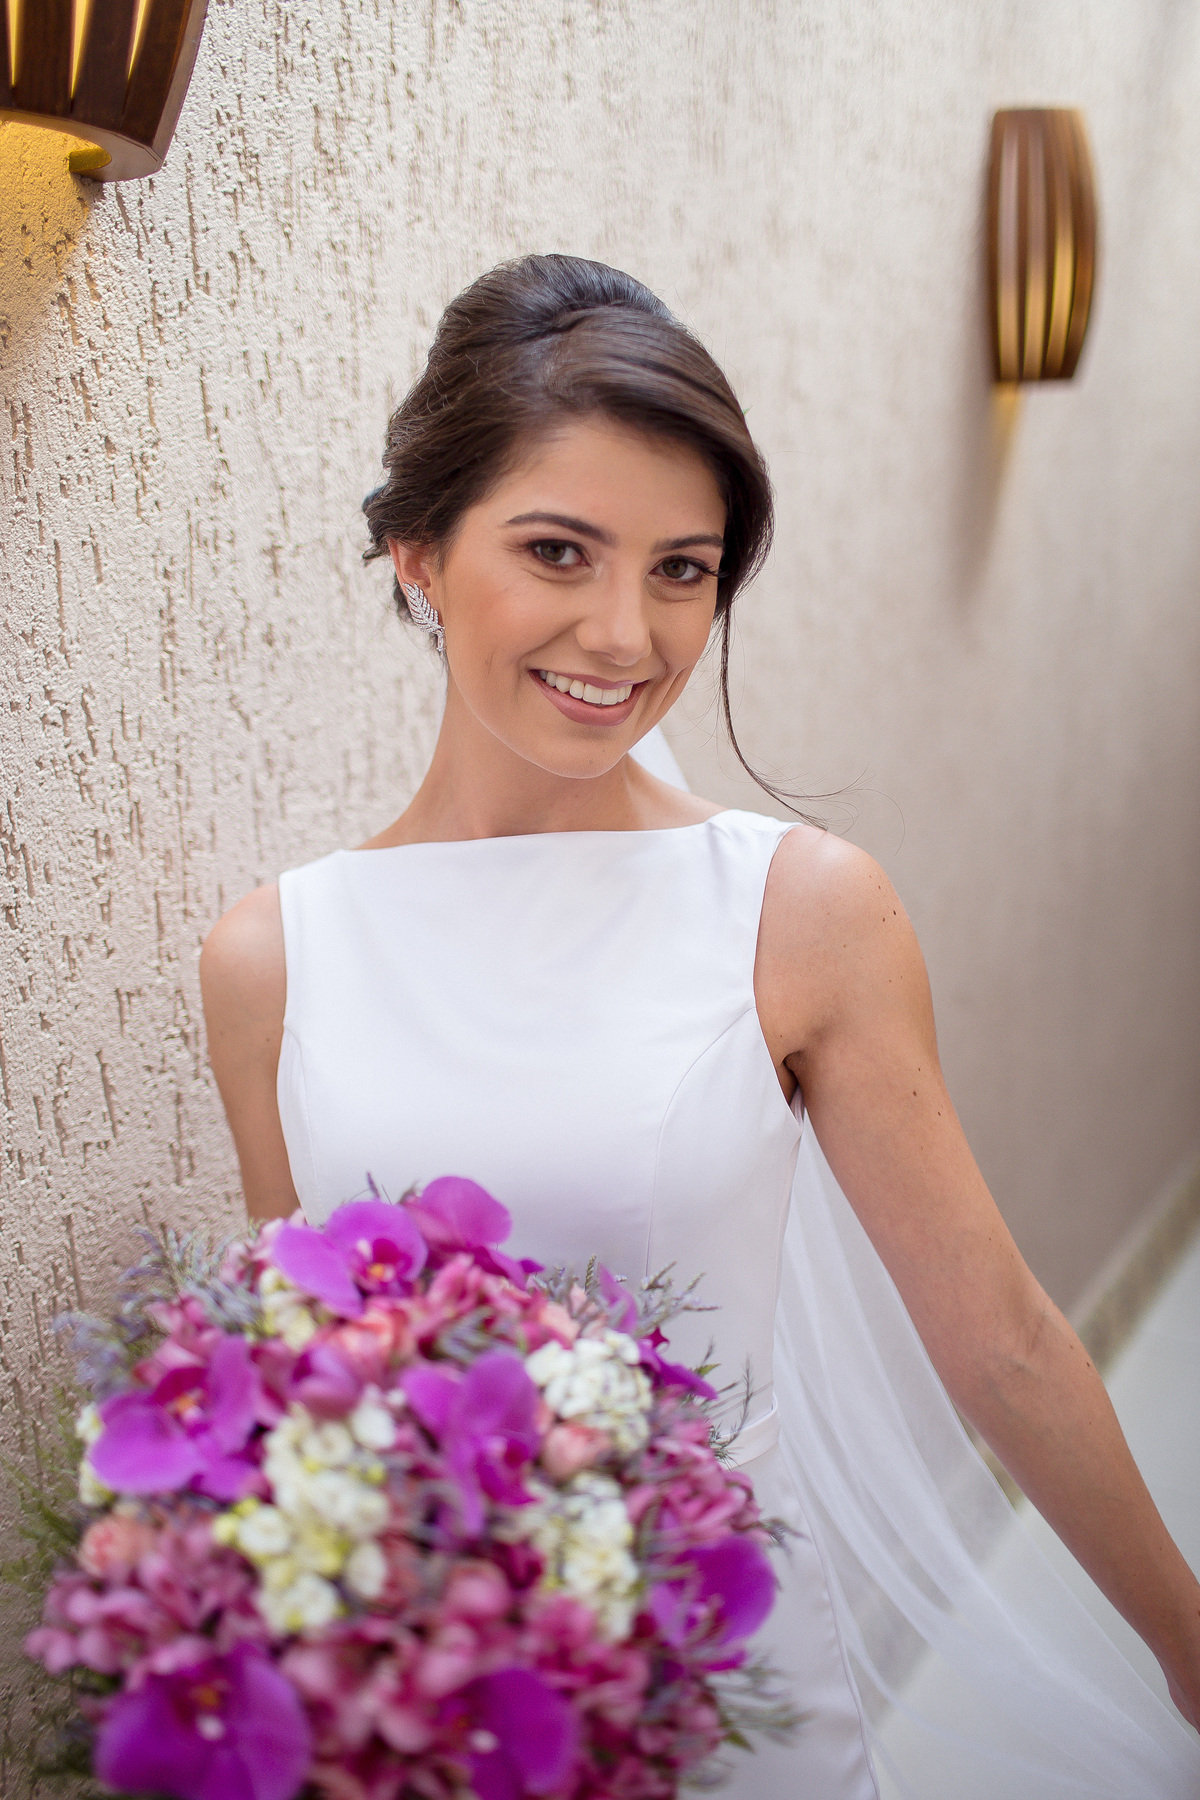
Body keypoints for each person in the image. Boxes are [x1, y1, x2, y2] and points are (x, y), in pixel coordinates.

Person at [200, 254, 1200, 1797]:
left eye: (683, 569)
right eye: (559, 551)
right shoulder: (275, 958)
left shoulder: (797, 912)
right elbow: (303, 1390)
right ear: (414, 549)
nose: (624, 635)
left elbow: (998, 1340)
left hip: (726, 1686)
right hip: (429, 1708)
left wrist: (1189, 1646)